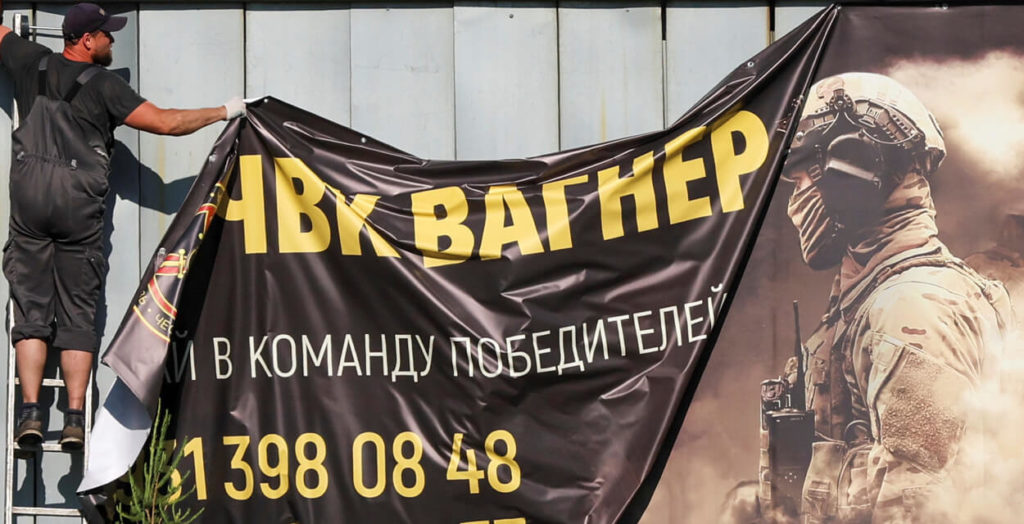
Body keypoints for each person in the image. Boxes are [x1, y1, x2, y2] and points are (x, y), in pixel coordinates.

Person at [0, 2, 244, 450]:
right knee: (77, 318)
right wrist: (224, 111)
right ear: (87, 40)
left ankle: (30, 414)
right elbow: (168, 123)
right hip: (77, 213)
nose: (112, 40)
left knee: (31, 316)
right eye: (106, 33)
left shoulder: (30, 60)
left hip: (30, 207)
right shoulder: (105, 86)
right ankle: (75, 419)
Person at [770, 72, 1012, 522]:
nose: (794, 204)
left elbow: (918, 509)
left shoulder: (912, 308)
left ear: (851, 176)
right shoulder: (867, 297)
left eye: (801, 183)